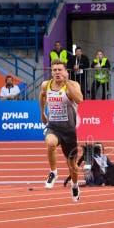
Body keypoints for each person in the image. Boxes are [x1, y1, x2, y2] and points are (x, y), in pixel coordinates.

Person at [39, 58, 84, 202]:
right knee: (50, 143)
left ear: (65, 71)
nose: (57, 72)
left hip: (69, 130)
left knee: (72, 165)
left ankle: (75, 184)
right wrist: (42, 112)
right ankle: (53, 172)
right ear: (51, 72)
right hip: (53, 127)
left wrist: (67, 83)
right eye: (54, 70)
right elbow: (42, 96)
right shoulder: (46, 85)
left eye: (60, 70)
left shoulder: (72, 84)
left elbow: (79, 100)